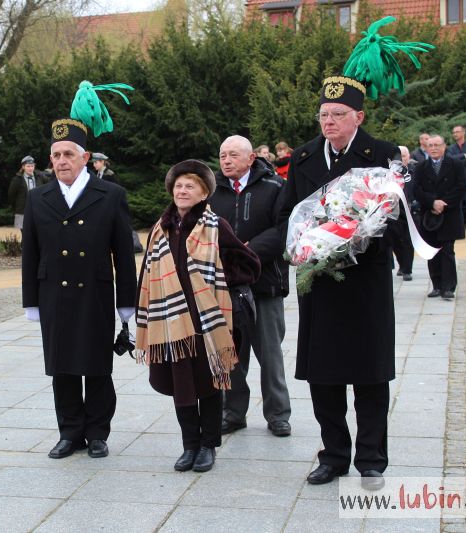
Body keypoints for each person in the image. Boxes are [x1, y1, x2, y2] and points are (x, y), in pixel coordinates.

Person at [278, 76, 402, 490]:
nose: (328, 122)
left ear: (358, 117)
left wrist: (354, 238)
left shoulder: (382, 154)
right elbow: (289, 212)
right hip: (320, 284)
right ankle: (333, 455)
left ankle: (371, 459)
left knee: (370, 375)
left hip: (365, 283)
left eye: (337, 115)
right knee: (324, 376)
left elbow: (392, 219)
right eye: (323, 115)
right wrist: (300, 245)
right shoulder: (304, 155)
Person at [22, 117, 136, 460]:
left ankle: (98, 432)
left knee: (97, 365)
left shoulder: (110, 195)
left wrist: (127, 304)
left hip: (95, 292)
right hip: (53, 292)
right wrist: (31, 301)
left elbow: (124, 254)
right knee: (62, 366)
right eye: (55, 155)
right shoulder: (38, 198)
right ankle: (69, 432)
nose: (60, 161)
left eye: (68, 154)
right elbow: (30, 253)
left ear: (85, 158)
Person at [135, 160, 260, 473]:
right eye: (178, 185)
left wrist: (216, 278)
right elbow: (146, 275)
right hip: (172, 323)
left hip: (207, 320)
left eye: (190, 185)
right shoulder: (161, 229)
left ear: (204, 192)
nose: (182, 190)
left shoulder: (216, 225)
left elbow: (249, 263)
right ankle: (189, 445)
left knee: (209, 384)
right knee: (182, 387)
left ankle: (208, 446)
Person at [209, 135, 292, 438]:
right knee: (230, 354)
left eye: (233, 155)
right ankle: (233, 412)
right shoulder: (213, 191)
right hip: (226, 286)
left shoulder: (274, 188)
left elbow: (284, 229)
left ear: (251, 158)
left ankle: (278, 414)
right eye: (222, 155)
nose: (226, 160)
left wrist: (249, 249)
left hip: (264, 283)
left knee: (269, 354)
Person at [414, 135, 466, 300]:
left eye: (437, 145)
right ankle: (436, 285)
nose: (434, 148)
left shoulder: (455, 164)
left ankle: (448, 287)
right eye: (430, 145)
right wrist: (432, 202)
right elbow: (416, 190)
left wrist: (443, 203)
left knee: (448, 251)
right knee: (433, 251)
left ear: (444, 147)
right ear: (426, 147)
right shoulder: (421, 167)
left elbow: (461, 187)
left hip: (449, 213)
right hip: (429, 215)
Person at [390, 145, 416, 281]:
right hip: (395, 209)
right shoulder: (391, 173)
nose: (401, 158)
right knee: (395, 240)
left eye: (404, 156)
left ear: (409, 157)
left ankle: (407, 269)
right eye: (399, 156)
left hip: (411, 209)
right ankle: (402, 264)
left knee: (407, 240)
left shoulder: (415, 170)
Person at [9, 155, 44, 231]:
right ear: (23, 167)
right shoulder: (17, 179)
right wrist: (17, 207)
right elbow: (11, 196)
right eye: (28, 166)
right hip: (22, 211)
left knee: (38, 232)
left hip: (38, 210)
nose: (30, 168)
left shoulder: (39, 177)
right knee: (25, 234)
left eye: (32, 166)